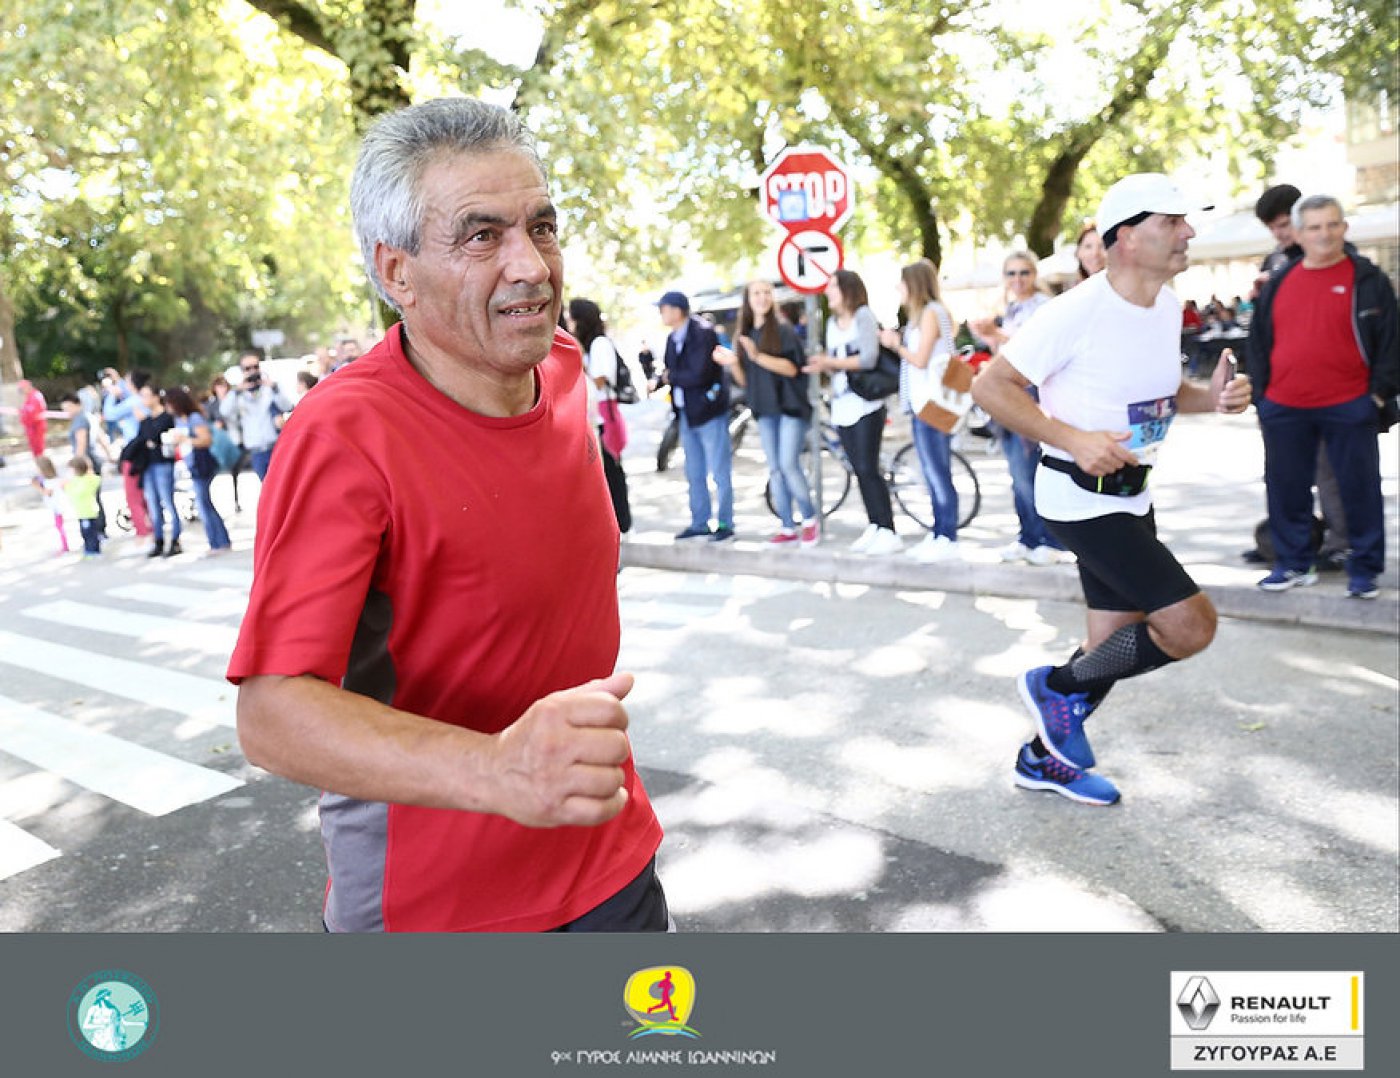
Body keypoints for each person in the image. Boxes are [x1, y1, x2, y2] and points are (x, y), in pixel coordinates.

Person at [227, 97, 665, 933]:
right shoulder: (343, 433)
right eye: (482, 236)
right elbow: (272, 714)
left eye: (541, 227)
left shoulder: (563, 365)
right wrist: (497, 770)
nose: (531, 266)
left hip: (608, 852)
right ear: (397, 273)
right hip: (434, 906)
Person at [971, 172, 1253, 805]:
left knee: (1110, 646)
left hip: (1131, 495)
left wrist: (1211, 398)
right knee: (1189, 626)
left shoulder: (1164, 305)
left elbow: (1161, 397)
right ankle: (1053, 686)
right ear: (1124, 237)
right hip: (1078, 498)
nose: (1188, 232)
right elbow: (990, 386)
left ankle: (1041, 760)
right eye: (1172, 222)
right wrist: (1071, 437)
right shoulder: (1075, 311)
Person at [1245, 193, 1397, 601]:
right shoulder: (1279, 282)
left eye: (1332, 225)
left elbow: (1390, 343)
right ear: (1298, 234)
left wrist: (1378, 396)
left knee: (1359, 490)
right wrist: (1263, 398)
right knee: (1286, 490)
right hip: (1284, 406)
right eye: (1314, 227)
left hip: (1350, 404)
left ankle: (1364, 570)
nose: (1324, 234)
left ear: (1344, 228)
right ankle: (1293, 563)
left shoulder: (1368, 279)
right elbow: (1257, 342)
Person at [1242, 183, 1349, 571]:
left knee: (1329, 470)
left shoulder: (1336, 260)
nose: (1280, 234)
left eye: (1285, 224)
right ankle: (1286, 542)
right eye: (1273, 228)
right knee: (1283, 472)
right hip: (1278, 387)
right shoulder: (1275, 261)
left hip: (1327, 389)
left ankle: (1343, 543)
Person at [970, 253, 1066, 566]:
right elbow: (1005, 357)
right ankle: (1028, 536)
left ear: (1034, 274)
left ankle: (1048, 540)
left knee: (1031, 471)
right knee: (1017, 471)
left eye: (1024, 272)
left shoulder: (1044, 306)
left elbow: (1036, 348)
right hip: (1008, 395)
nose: (1018, 279)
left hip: (1033, 397)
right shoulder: (1009, 308)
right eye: (1011, 273)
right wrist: (990, 338)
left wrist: (997, 335)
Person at [804, 269, 902, 555]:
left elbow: (868, 358)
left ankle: (887, 528)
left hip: (865, 402)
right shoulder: (832, 323)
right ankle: (875, 524)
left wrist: (831, 362)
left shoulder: (863, 316)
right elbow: (837, 362)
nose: (828, 292)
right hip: (842, 403)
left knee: (868, 467)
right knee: (859, 468)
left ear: (847, 289)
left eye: (833, 286)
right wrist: (825, 365)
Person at [715, 279, 817, 546]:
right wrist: (733, 362)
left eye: (766, 293)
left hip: (789, 408)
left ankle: (809, 519)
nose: (762, 297)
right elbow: (745, 381)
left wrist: (757, 356)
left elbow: (792, 369)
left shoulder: (783, 330)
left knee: (788, 465)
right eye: (756, 293)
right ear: (748, 300)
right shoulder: (745, 335)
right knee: (775, 470)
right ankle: (787, 526)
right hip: (764, 409)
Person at [880, 258, 963, 562]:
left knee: (938, 472)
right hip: (922, 403)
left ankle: (947, 535)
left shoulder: (931, 313)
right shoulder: (925, 315)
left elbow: (920, 360)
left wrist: (895, 344)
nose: (898, 289)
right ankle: (939, 532)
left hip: (933, 404)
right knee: (931, 471)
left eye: (902, 283)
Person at [659, 289, 734, 542]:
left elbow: (699, 373)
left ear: (677, 309)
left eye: (664, 308)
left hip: (709, 411)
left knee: (720, 471)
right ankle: (699, 522)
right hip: (686, 414)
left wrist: (671, 377)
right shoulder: (672, 338)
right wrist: (663, 379)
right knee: (694, 472)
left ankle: (725, 524)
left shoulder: (702, 332)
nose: (661, 313)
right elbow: (671, 371)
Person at [566, 297, 631, 534]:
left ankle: (621, 524)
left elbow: (600, 381)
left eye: (572, 318)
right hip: (597, 414)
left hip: (605, 415)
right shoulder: (592, 345)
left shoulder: (599, 344)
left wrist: (579, 357)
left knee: (611, 472)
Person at [166, 386, 232, 557]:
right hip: (191, 464)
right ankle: (220, 541)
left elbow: (206, 440)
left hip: (201, 465)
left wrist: (186, 439)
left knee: (203, 504)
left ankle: (217, 542)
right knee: (205, 504)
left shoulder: (194, 418)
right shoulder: (180, 420)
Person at [221, 349, 293, 481]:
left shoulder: (270, 388)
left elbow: (287, 406)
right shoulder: (238, 394)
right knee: (266, 488)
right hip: (256, 451)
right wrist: (237, 391)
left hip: (276, 447)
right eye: (248, 368)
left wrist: (274, 387)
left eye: (255, 367)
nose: (253, 371)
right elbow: (224, 411)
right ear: (242, 371)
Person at [103, 368, 154, 538]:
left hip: (133, 451)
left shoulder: (133, 402)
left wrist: (112, 395)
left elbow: (109, 414)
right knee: (146, 494)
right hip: (146, 451)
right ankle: (152, 528)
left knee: (133, 496)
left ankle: (143, 533)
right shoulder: (144, 400)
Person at [135, 384, 181, 558]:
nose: (144, 400)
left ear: (156, 397)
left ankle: (175, 539)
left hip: (163, 464)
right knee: (153, 505)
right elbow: (144, 439)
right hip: (148, 465)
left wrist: (152, 439)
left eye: (146, 395)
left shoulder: (167, 417)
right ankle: (159, 540)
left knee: (168, 501)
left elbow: (157, 437)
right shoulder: (146, 420)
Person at [59, 392, 108, 538]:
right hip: (93, 460)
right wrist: (109, 454)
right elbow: (100, 438)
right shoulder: (90, 417)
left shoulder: (80, 420)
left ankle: (97, 530)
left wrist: (77, 465)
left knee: (89, 497)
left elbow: (81, 443)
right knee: (95, 495)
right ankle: (99, 529)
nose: (67, 412)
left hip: (85, 464)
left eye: (68, 408)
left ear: (77, 404)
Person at [207, 375, 250, 513]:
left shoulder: (235, 400)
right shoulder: (212, 405)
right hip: (220, 442)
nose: (223, 389)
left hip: (235, 439)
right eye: (219, 386)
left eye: (224, 386)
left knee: (235, 472)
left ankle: (236, 500)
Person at [65, 456, 104, 558]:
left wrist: (67, 486)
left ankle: (92, 551)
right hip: (87, 511)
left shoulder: (81, 481)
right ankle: (92, 549)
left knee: (88, 533)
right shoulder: (88, 479)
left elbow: (77, 493)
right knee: (90, 532)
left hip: (86, 512)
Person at [30, 454, 69, 553]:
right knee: (59, 526)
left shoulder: (50, 481)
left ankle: (65, 546)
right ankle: (64, 545)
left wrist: (38, 486)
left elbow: (47, 492)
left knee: (59, 526)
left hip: (57, 507)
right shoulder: (53, 479)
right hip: (56, 506)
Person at [17, 379, 48, 458]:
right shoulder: (30, 396)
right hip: (32, 427)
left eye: (22, 389)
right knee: (35, 449)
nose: (22, 391)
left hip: (36, 426)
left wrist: (22, 411)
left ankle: (41, 462)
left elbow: (32, 411)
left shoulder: (35, 396)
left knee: (39, 449)